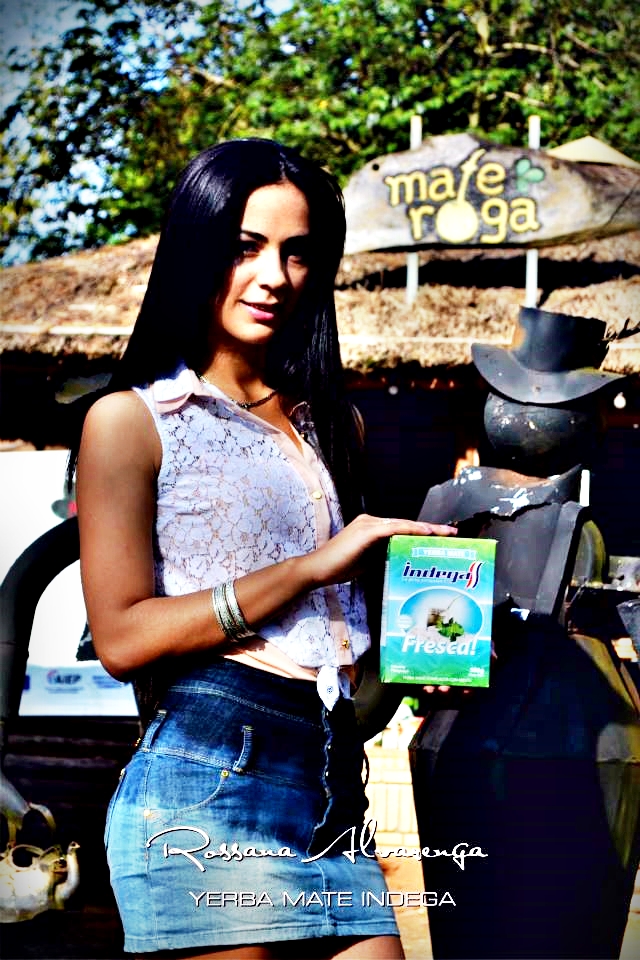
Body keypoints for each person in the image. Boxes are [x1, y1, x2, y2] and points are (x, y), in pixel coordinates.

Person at [72, 138, 456, 959]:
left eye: (297, 252)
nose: (274, 275)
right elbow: (122, 638)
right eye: (245, 247)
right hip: (208, 782)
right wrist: (310, 567)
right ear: (195, 250)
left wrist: (431, 642)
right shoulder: (132, 421)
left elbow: (337, 643)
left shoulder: (335, 425)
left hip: (332, 785)